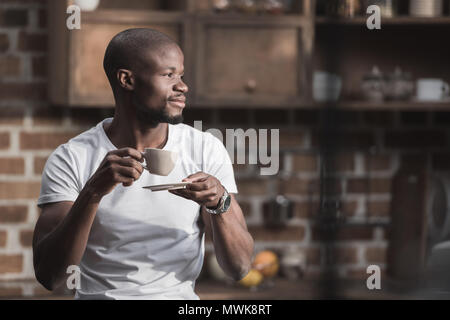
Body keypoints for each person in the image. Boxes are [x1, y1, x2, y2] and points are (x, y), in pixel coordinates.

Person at [32, 28, 254, 300]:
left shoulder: (205, 149)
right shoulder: (72, 157)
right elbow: (50, 275)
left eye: (181, 75)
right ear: (127, 79)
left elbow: (239, 268)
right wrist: (92, 193)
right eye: (168, 74)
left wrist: (220, 203)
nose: (182, 86)